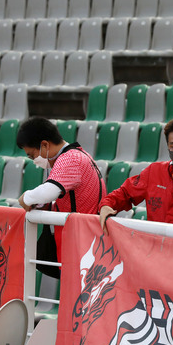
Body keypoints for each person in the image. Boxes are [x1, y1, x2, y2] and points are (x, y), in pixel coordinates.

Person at [17, 117, 106, 277]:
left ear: (44, 145)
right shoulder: (78, 155)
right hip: (85, 239)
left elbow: (48, 192)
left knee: (77, 298)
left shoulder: (71, 159)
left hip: (82, 243)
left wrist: (26, 198)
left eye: (32, 156)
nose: (34, 161)